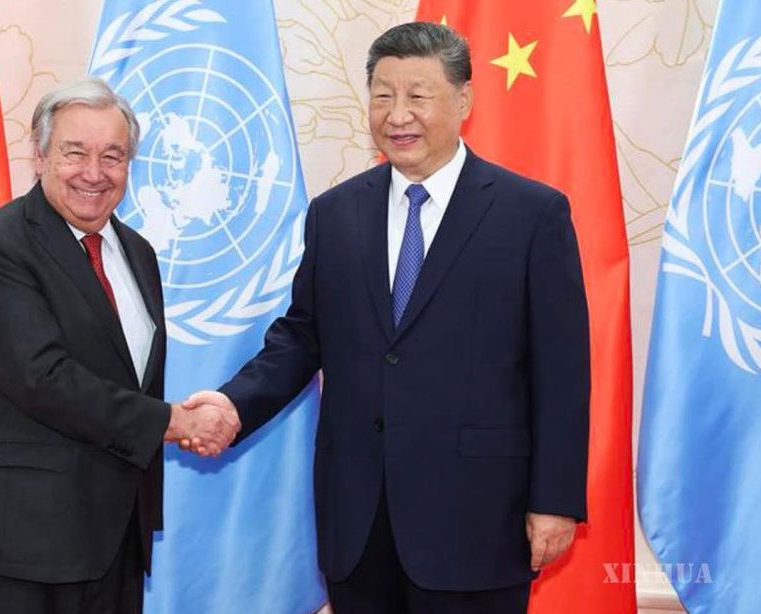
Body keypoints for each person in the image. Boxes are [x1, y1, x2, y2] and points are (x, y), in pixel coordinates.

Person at [184, 22, 590, 613]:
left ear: (464, 101)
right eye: (382, 96)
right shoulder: (334, 213)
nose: (398, 115)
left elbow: (562, 368)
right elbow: (301, 337)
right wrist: (232, 404)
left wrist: (554, 499)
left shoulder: (531, 214)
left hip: (479, 518)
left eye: (418, 96)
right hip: (359, 518)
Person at [0, 78, 239, 614]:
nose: (94, 173)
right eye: (75, 153)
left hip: (115, 540)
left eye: (112, 156)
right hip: (17, 546)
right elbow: (42, 378)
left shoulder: (138, 253)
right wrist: (174, 422)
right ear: (40, 156)